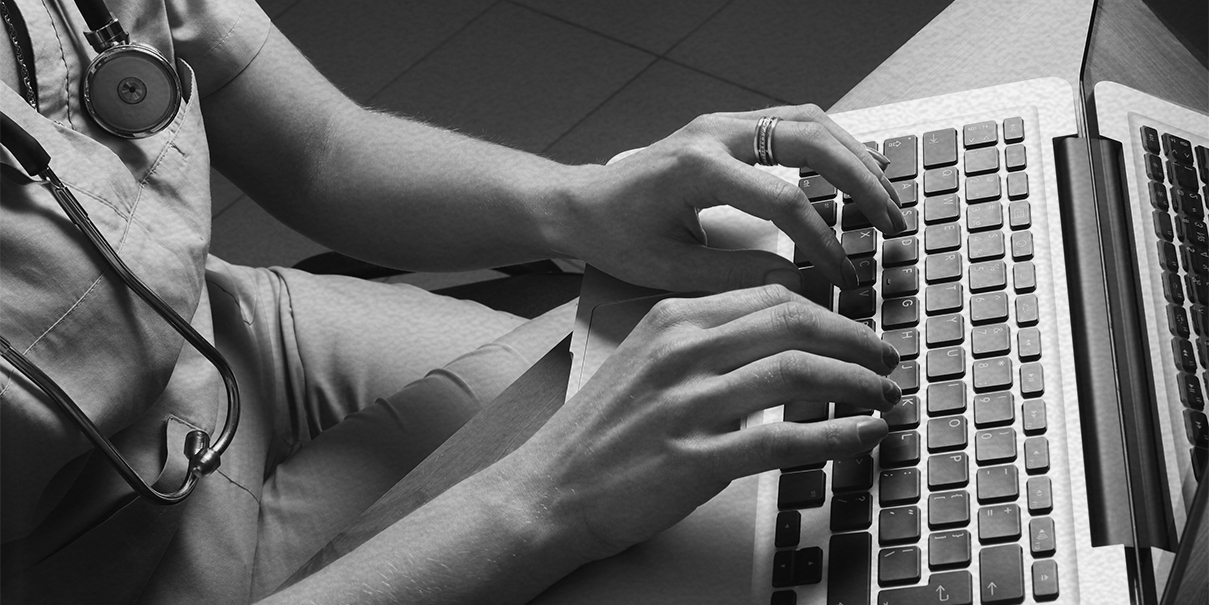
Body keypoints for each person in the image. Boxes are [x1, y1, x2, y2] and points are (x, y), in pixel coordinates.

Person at [0, 0, 905, 603]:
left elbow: (320, 149)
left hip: (239, 341)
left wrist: (581, 204)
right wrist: (544, 499)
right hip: (101, 565)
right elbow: (550, 496)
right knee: (698, 538)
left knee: (718, 442)